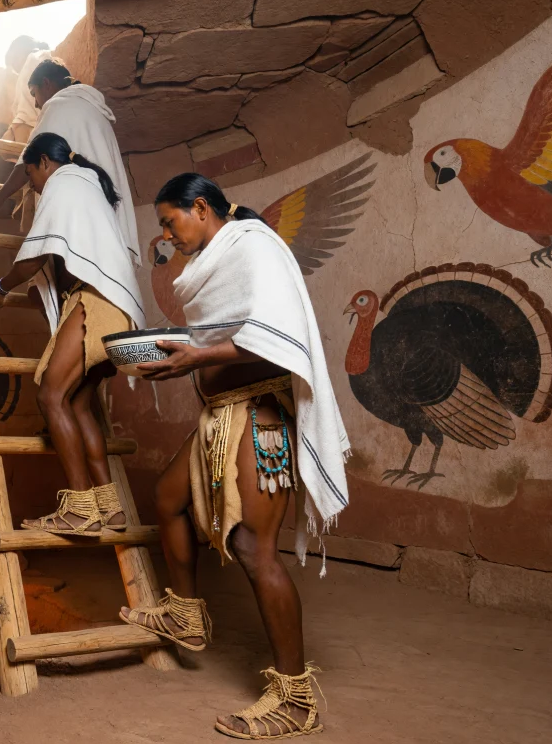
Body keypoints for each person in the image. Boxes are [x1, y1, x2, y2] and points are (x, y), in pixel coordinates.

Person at [120, 174, 352, 740]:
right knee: (167, 499)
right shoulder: (217, 259)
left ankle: (296, 699)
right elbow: (224, 331)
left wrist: (193, 357)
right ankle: (186, 613)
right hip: (220, 417)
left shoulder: (252, 246)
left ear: (201, 208)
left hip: (259, 417)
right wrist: (186, 354)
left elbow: (276, 336)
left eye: (171, 222)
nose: (169, 237)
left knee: (253, 547)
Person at [0, 132, 146, 536]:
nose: (32, 185)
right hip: (118, 303)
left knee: (50, 396)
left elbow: (34, 256)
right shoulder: (87, 184)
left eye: (30, 175)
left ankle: (79, 509)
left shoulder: (62, 182)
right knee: (77, 404)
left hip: (96, 300)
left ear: (43, 162)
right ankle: (111, 509)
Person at [0, 60, 139, 266]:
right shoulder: (95, 109)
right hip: (111, 225)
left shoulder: (58, 105)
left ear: (46, 83)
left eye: (33, 93)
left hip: (86, 227)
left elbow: (28, 160)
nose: (36, 104)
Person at [2, 35, 52, 148]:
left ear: (21, 49)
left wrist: (16, 128)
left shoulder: (33, 58)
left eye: (14, 60)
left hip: (33, 130)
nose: (17, 68)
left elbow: (28, 111)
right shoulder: (42, 60)